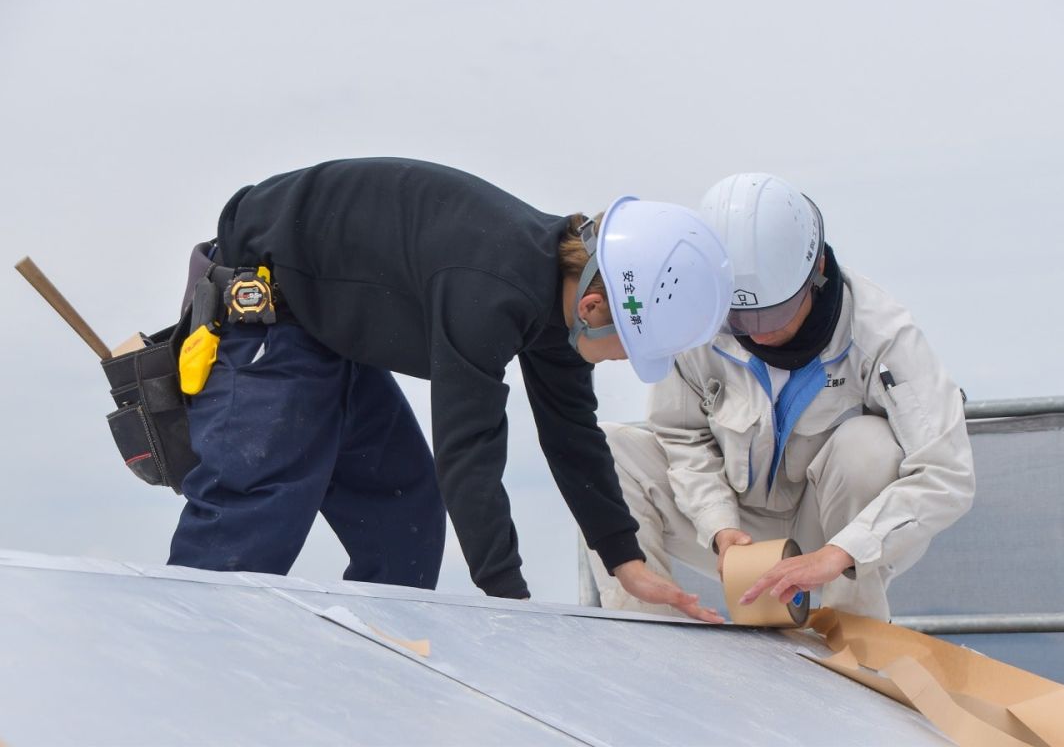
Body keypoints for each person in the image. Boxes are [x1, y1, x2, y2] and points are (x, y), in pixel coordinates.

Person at [168, 157, 733, 623]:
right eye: (628, 348)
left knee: (403, 509)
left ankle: (377, 685)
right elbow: (469, 453)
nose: (620, 361)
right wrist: (512, 606)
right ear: (592, 308)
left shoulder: (558, 301)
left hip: (333, 328)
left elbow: (571, 435)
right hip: (269, 309)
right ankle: (190, 667)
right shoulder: (491, 289)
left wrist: (624, 560)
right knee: (259, 510)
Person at [587, 173, 975, 620]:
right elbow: (681, 435)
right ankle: (650, 636)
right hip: (737, 524)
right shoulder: (695, 316)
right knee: (606, 451)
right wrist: (720, 526)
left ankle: (851, 633)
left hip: (836, 535)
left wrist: (840, 552)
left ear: (818, 273)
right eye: (738, 316)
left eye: (774, 312)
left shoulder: (882, 334)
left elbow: (948, 472)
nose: (760, 331)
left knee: (868, 447)